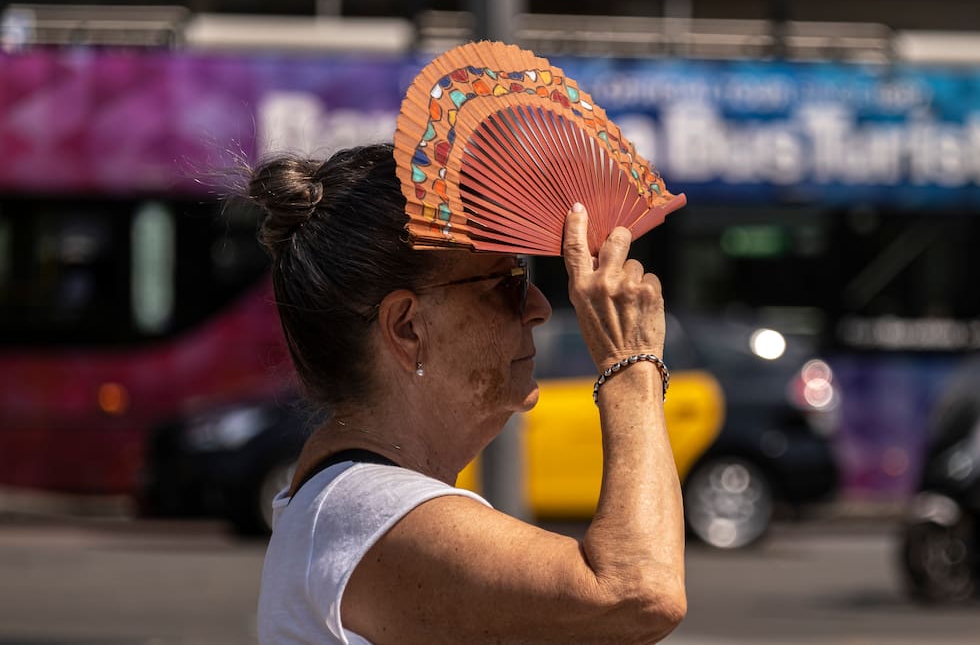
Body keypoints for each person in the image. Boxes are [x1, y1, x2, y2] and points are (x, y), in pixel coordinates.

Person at [249, 144, 686, 643]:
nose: (539, 307)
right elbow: (638, 592)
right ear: (408, 328)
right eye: (507, 282)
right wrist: (631, 363)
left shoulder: (351, 501)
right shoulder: (366, 507)